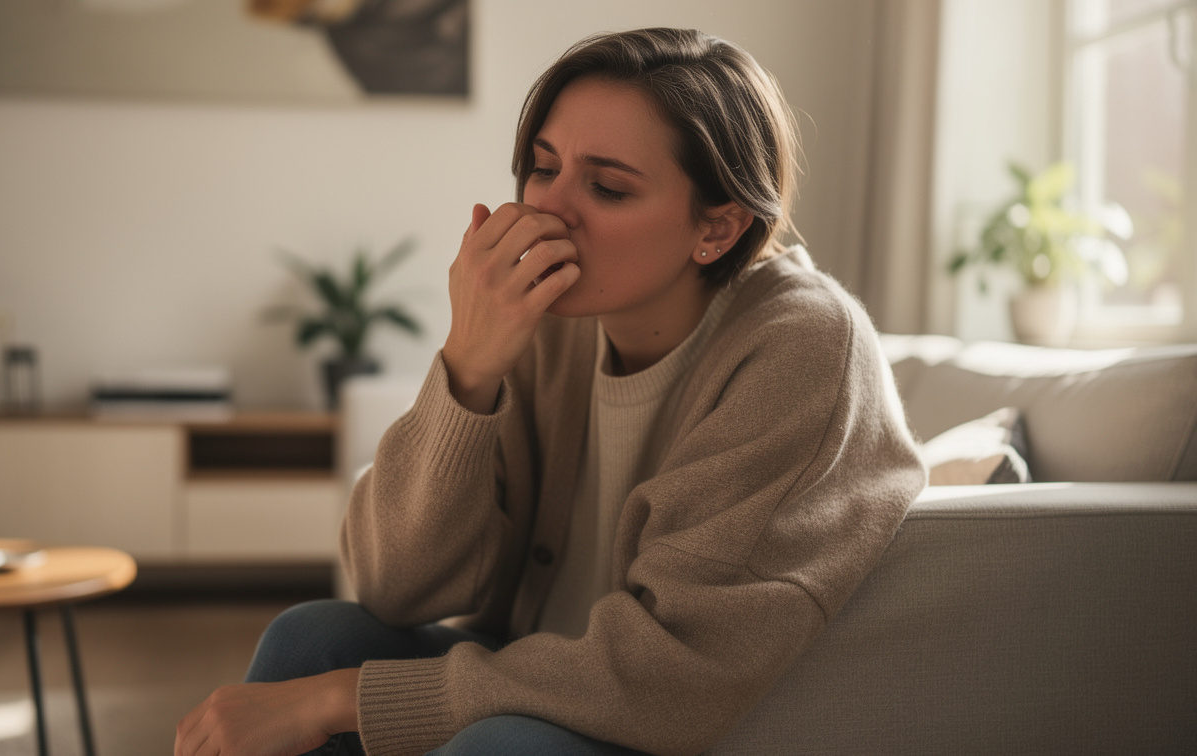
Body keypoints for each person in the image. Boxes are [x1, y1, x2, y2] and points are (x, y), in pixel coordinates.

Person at [176, 27, 926, 756]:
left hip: (666, 722)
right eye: (543, 167)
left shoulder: (805, 346)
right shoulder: (544, 318)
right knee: (310, 638)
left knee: (499, 743)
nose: (547, 210)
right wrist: (467, 368)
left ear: (719, 229)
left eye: (607, 187)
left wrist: (338, 701)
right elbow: (391, 587)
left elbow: (671, 674)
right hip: (525, 673)